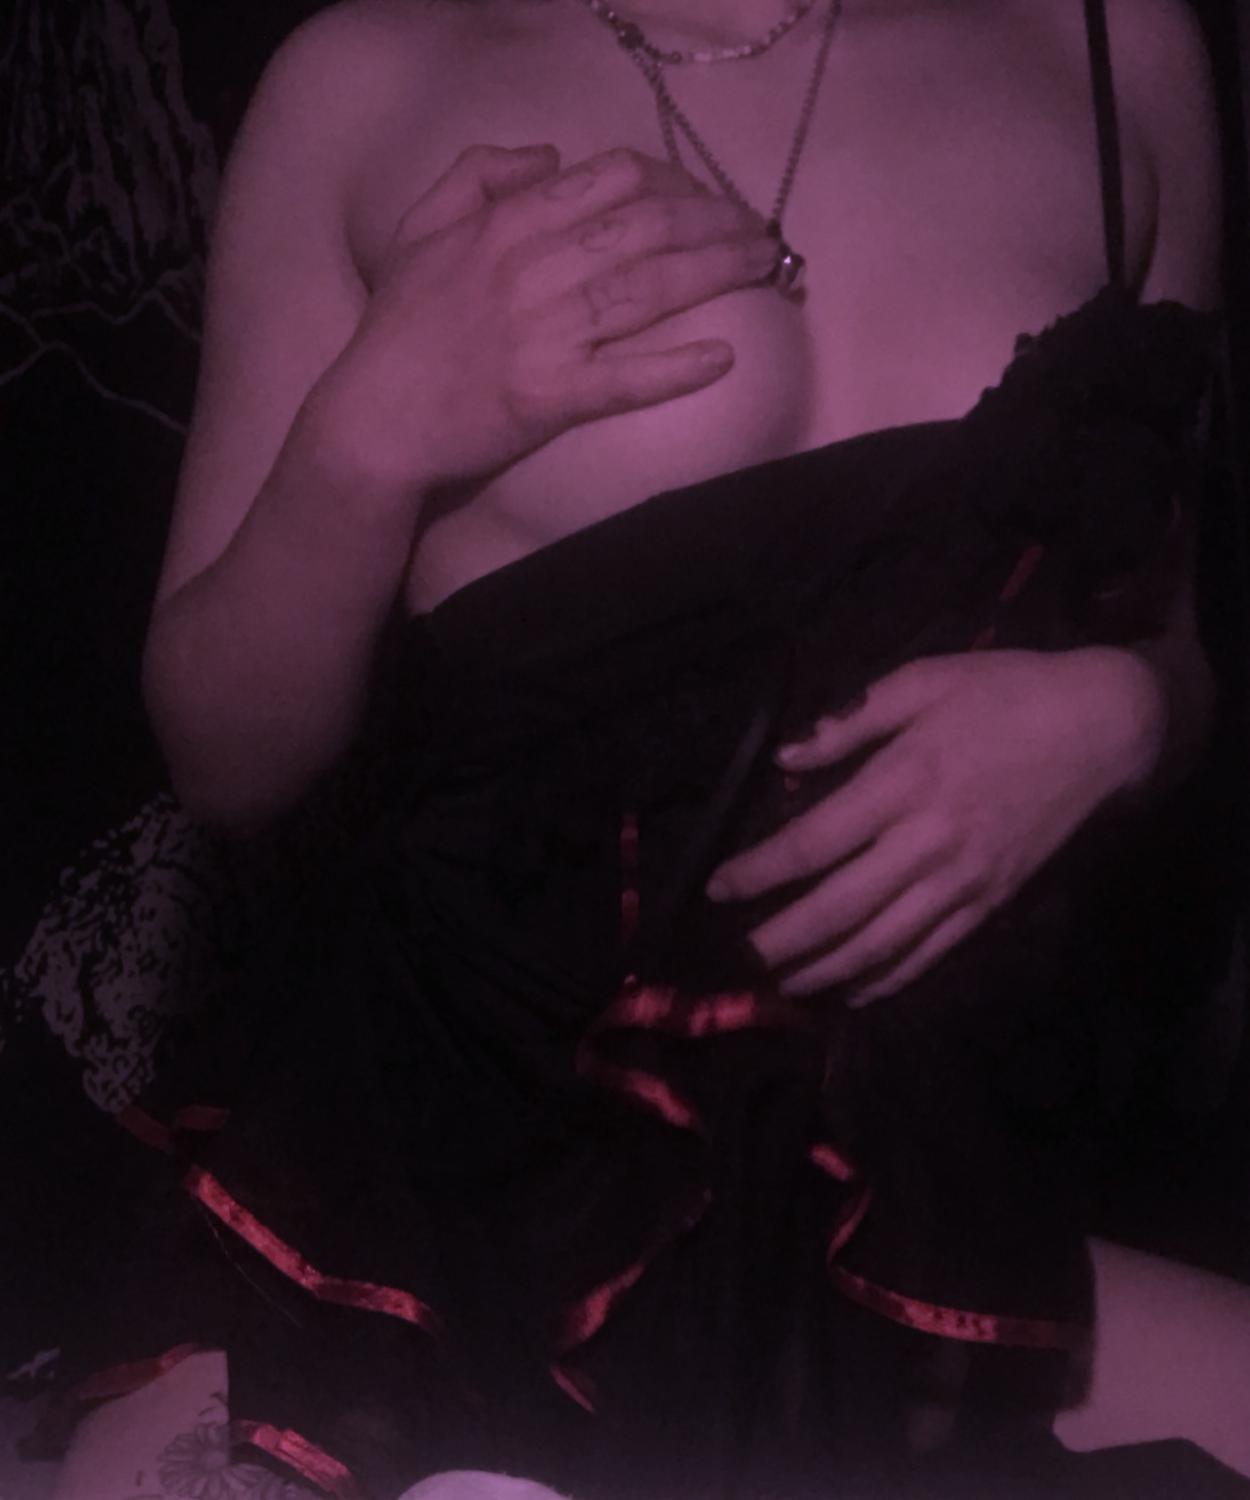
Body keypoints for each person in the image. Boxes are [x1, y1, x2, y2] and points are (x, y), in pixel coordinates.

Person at [41, 0, 1250, 1497]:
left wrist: (1125, 714)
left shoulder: (1108, 40)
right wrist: (366, 441)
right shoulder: (379, 74)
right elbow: (228, 759)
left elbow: (1166, 633)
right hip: (434, 1199)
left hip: (910, 1216)